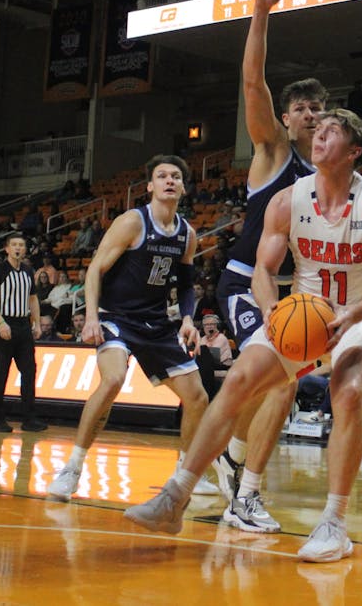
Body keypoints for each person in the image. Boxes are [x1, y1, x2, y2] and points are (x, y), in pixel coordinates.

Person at [126, 107, 362, 564]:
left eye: (332, 133)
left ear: (353, 151)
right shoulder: (288, 200)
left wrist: (356, 312)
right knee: (239, 380)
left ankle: (334, 524)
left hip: (360, 315)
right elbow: (262, 269)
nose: (319, 138)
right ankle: (175, 497)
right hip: (299, 313)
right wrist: (268, 309)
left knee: (348, 391)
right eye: (317, 132)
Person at [208, 0, 329, 533]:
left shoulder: (329, 176)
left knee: (272, 386)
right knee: (280, 379)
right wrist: (259, 10)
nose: (309, 114)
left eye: (317, 108)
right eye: (300, 108)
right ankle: (246, 496)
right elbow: (251, 81)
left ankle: (233, 459)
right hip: (244, 278)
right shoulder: (274, 153)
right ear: (284, 118)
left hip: (297, 292)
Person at [47, 155, 213, 502]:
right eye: (162, 176)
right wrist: (92, 317)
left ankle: (185, 475)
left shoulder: (187, 234)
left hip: (155, 322)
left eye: (176, 176)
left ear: (183, 186)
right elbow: (94, 271)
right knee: (113, 380)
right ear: (150, 186)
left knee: (197, 397)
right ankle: (72, 468)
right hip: (115, 316)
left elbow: (185, 285)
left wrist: (186, 319)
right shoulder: (132, 222)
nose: (170, 180)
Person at [0, 233, 46, 433]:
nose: (18, 248)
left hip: (23, 325)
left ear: (25, 249)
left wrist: (36, 323)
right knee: (2, 371)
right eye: (15, 245)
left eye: (21, 245)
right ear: (7, 249)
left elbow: (33, 299)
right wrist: (1, 322)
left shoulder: (28, 271)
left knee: (29, 371)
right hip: (4, 324)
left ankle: (29, 419)